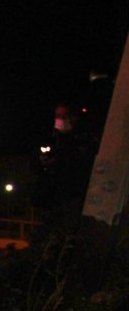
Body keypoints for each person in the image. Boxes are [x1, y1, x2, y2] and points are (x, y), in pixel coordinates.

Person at [32, 101, 98, 242]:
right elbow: (35, 165)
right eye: (58, 115)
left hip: (71, 196)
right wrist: (43, 162)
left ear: (73, 117)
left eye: (64, 116)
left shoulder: (82, 139)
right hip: (50, 197)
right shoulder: (51, 138)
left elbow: (81, 165)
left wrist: (60, 161)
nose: (60, 119)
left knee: (67, 233)